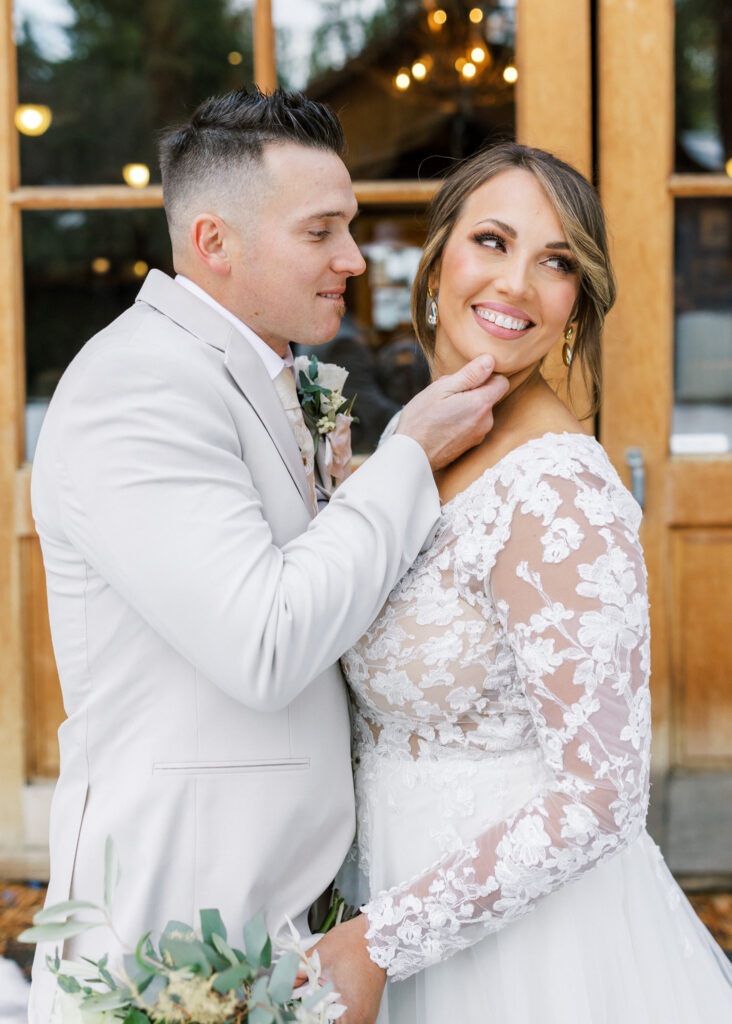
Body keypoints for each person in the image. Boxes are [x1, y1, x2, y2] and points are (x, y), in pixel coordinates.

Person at [27, 89, 509, 1022]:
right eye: (321, 231)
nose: (353, 259)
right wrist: (405, 456)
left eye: (350, 227)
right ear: (215, 243)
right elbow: (265, 639)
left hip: (285, 919)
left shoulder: (255, 371)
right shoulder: (139, 385)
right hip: (174, 929)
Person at [314, 142, 732, 1022]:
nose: (516, 285)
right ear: (436, 267)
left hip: (533, 959)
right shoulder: (413, 457)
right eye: (493, 242)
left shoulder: (558, 491)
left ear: (576, 306)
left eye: (557, 263)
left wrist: (381, 940)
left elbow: (601, 794)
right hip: (387, 909)